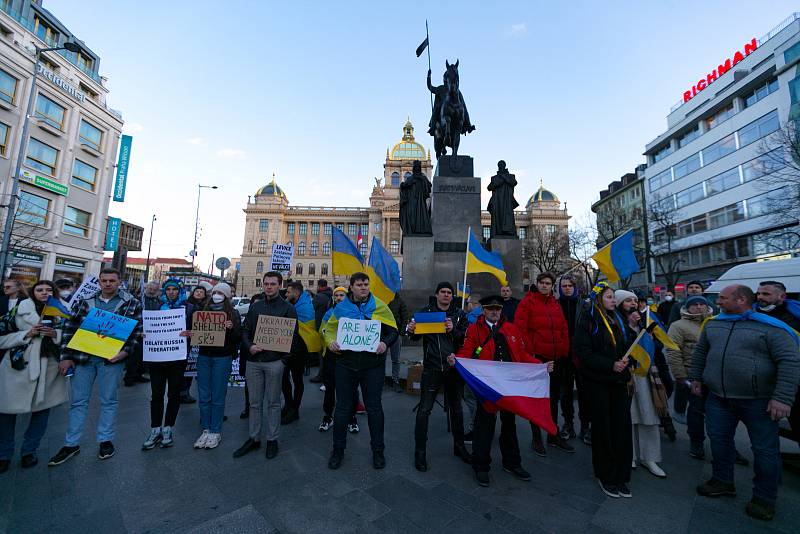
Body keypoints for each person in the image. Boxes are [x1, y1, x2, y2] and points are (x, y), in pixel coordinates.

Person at [691, 284, 799, 521]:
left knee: (764, 450)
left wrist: (782, 398)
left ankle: (764, 498)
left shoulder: (772, 328)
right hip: (718, 397)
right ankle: (722, 481)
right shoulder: (714, 323)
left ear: (741, 300)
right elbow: (701, 352)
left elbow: (790, 362)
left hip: (758, 401)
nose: (717, 302)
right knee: (719, 441)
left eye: (722, 298)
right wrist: (697, 378)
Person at [48, 268, 143, 466]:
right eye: (104, 280)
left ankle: (105, 440)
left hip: (111, 360)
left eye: (112, 280)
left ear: (119, 282)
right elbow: (69, 328)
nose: (108, 284)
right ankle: (71, 443)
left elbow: (137, 330)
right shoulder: (85, 301)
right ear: (99, 282)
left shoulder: (131, 303)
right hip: (83, 358)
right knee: (78, 402)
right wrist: (66, 357)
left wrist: (125, 352)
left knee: (109, 400)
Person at [455, 295, 552, 487]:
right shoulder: (474, 329)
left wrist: (540, 366)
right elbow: (466, 352)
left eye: (498, 309)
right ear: (483, 310)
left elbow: (522, 354)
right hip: (488, 387)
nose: (494, 312)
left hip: (509, 385)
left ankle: (512, 462)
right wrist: (457, 360)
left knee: (510, 425)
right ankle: (481, 465)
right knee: (484, 426)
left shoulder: (511, 329)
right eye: (490, 308)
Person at [324, 272, 398, 470]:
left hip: (372, 366)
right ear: (352, 287)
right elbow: (329, 329)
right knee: (342, 409)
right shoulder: (341, 308)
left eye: (366, 284)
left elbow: (393, 331)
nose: (364, 287)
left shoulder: (380, 306)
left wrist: (384, 343)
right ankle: (337, 450)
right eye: (359, 284)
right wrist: (330, 342)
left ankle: (378, 451)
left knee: (374, 408)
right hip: (346, 365)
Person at [574, 283, 634, 498]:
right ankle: (605, 475)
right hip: (598, 382)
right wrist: (610, 364)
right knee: (603, 429)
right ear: (599, 299)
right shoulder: (588, 320)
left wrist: (629, 359)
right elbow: (583, 352)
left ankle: (621, 475)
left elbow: (628, 345)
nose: (613, 300)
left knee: (621, 428)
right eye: (609, 297)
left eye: (613, 297)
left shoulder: (618, 319)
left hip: (619, 382)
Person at [0, 280, 67, 473]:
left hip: (49, 367)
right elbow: (2, 336)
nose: (44, 293)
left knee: (41, 412)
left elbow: (72, 335)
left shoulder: (62, 311)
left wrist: (56, 334)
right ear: (32, 292)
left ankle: (29, 451)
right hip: (18, 365)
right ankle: (4, 454)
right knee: (6, 412)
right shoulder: (17, 311)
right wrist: (26, 334)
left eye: (48, 289)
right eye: (40, 290)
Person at [407, 282, 470, 471]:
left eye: (449, 292)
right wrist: (411, 329)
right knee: (424, 410)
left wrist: (454, 331)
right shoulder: (426, 313)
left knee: (457, 409)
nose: (446, 295)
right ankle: (420, 452)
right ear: (436, 294)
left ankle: (459, 446)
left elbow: (466, 338)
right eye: (442, 292)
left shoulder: (460, 315)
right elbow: (415, 337)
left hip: (454, 368)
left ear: (452, 296)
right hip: (432, 367)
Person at [235, 271, 298, 460]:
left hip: (274, 363)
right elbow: (245, 331)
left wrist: (283, 361)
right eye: (266, 283)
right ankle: (254, 438)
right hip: (254, 362)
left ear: (280, 285)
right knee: (254, 403)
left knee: (273, 403)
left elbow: (294, 338)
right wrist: (250, 346)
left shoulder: (288, 308)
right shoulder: (255, 307)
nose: (269, 287)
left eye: (273, 284)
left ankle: (272, 439)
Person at [514, 272, 573, 455]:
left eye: (548, 283)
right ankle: (536, 437)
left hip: (556, 358)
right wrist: (531, 353)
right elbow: (520, 329)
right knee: (537, 398)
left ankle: (552, 434)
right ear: (537, 284)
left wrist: (563, 348)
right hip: (538, 359)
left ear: (552, 285)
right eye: (542, 283)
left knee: (553, 398)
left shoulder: (555, 304)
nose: (545, 286)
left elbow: (563, 327)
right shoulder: (527, 302)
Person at [615, 290, 667, 479]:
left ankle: (650, 456)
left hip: (645, 374)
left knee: (648, 414)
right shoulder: (616, 323)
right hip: (627, 375)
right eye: (628, 300)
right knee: (630, 416)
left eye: (635, 300)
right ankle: (632, 454)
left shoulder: (645, 323)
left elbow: (660, 346)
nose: (633, 303)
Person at [141, 279, 194, 451]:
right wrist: (144, 333)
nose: (171, 292)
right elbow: (145, 325)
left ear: (180, 291)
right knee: (156, 393)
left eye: (175, 289)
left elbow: (197, 330)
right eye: (168, 289)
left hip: (177, 358)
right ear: (164, 291)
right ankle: (155, 428)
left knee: (174, 393)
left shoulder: (189, 308)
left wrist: (190, 334)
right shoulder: (155, 307)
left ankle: (168, 428)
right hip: (157, 357)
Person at [194, 283, 241, 449]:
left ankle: (215, 430)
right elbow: (195, 331)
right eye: (215, 292)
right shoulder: (202, 312)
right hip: (204, 357)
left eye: (220, 292)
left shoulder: (233, 313)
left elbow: (238, 337)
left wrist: (232, 328)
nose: (217, 295)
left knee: (218, 394)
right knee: (204, 394)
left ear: (227, 296)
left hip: (223, 357)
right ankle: (206, 428)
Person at [667, 295, 714, 459]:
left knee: (718, 415)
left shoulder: (714, 323)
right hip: (692, 375)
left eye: (702, 304)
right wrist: (680, 375)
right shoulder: (678, 325)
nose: (699, 307)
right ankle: (697, 442)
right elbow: (673, 351)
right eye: (695, 304)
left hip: (714, 376)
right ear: (688, 307)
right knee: (696, 411)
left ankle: (722, 445)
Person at [755, 280, 800, 446]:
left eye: (766, 294)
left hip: (792, 381)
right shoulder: (751, 315)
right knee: (763, 432)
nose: (760, 297)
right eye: (759, 293)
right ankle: (767, 470)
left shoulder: (794, 316)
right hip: (760, 382)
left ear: (782, 296)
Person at [318, 286, 358, 433]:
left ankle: (351, 417)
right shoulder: (329, 313)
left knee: (351, 388)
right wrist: (329, 341)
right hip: (331, 355)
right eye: (337, 295)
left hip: (349, 356)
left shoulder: (353, 312)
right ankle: (328, 416)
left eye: (342, 295)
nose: (339, 297)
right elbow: (322, 331)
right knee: (330, 387)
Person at [557, 274, 588, 443]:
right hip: (563, 356)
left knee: (584, 392)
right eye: (564, 286)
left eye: (570, 285)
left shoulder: (583, 305)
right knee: (565, 392)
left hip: (580, 355)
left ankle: (585, 426)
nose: (567, 288)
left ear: (575, 287)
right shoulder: (556, 305)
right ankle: (568, 424)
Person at [282, 281, 311, 424]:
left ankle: (295, 409)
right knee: (283, 377)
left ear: (296, 293)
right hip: (285, 348)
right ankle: (288, 404)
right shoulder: (289, 305)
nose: (286, 295)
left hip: (300, 349)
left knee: (297, 379)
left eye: (288, 292)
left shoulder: (305, 306)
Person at [125, 282, 160, 387]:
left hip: (150, 332)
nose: (152, 291)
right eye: (150, 288)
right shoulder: (138, 300)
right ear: (146, 288)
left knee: (143, 356)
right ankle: (129, 377)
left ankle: (138, 374)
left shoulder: (158, 301)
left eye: (154, 289)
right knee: (134, 355)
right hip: (138, 331)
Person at [181, 283, 210, 403]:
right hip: (186, 341)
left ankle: (185, 391)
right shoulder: (185, 305)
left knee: (192, 367)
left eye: (201, 292)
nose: (198, 293)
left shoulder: (208, 307)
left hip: (199, 342)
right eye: (197, 291)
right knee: (185, 366)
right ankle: (181, 392)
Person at [462, 293, 482, 443]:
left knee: (471, 396)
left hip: (474, 363)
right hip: (477, 362)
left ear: (474, 304)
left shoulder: (471, 320)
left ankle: (475, 428)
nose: (466, 305)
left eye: (468, 303)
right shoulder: (481, 317)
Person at [310, 279, 333, 383]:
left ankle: (321, 375)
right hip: (330, 328)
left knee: (322, 353)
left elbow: (311, 309)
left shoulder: (319, 297)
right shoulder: (330, 295)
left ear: (319, 286)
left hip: (320, 326)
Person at [388, 292, 411, 393]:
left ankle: (395, 380)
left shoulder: (399, 300)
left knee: (396, 359)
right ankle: (378, 381)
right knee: (379, 359)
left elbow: (405, 316)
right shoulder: (378, 299)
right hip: (381, 334)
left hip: (395, 333)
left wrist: (401, 333)